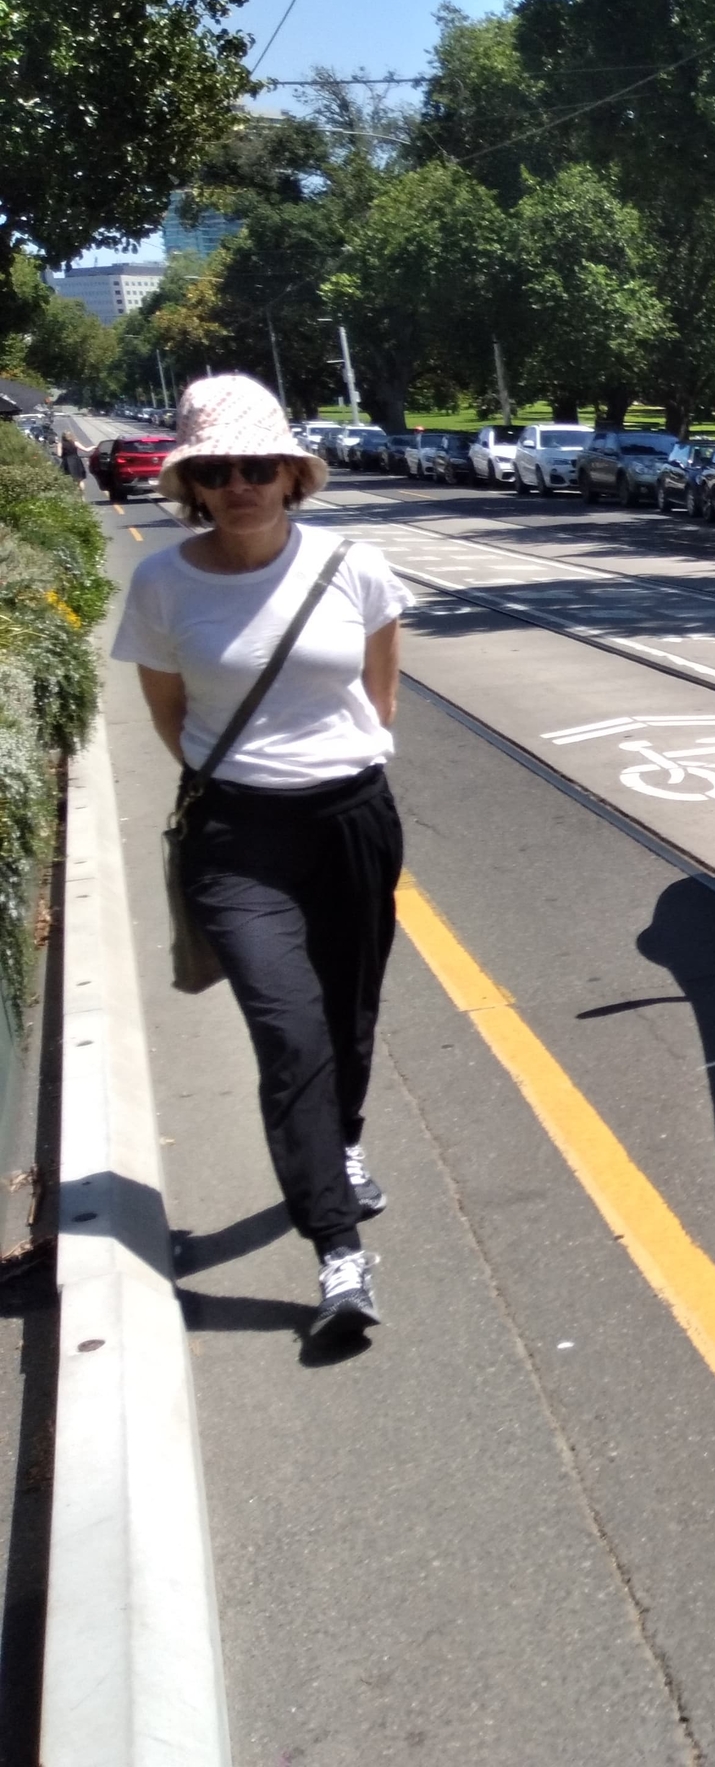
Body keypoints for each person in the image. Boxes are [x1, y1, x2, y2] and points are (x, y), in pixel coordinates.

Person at [110, 375, 414, 1336]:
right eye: (216, 470)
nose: (239, 484)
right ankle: (337, 1249)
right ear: (192, 486)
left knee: (350, 1005)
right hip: (240, 840)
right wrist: (241, 779)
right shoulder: (163, 581)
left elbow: (380, 694)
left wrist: (332, 769)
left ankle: (345, 1139)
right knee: (290, 1031)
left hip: (353, 818)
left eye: (257, 466)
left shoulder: (353, 565)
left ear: (291, 475)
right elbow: (168, 711)